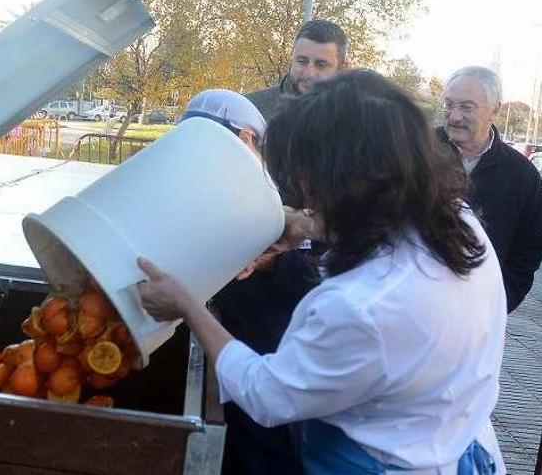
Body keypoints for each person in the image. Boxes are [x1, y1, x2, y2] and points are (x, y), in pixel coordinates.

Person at [138, 70, 507, 473]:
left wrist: (190, 307)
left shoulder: (362, 308)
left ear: (346, 184)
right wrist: (303, 224)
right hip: (455, 441)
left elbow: (266, 394)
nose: (308, 195)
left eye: (310, 184)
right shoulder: (456, 221)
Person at [179, 88, 314, 475]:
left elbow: (306, 281)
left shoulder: (274, 201)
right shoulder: (200, 189)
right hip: (228, 358)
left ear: (245, 140)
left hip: (267, 364)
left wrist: (272, 263)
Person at [437, 66, 542, 312]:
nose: (453, 116)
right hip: (409, 310)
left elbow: (527, 253)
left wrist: (497, 303)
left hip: (480, 318)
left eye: (466, 107)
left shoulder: (522, 175)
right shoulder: (416, 153)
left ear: (495, 109)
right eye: (449, 104)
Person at [245, 19, 348, 121]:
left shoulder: (356, 122)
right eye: (302, 61)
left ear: (342, 69)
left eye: (321, 65)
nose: (309, 73)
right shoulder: (250, 110)